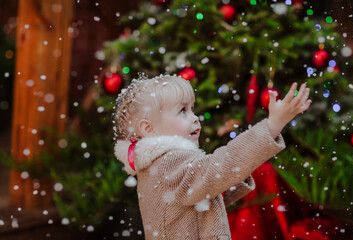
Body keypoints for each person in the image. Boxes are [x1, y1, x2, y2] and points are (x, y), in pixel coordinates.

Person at [114, 75, 311, 239]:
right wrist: (272, 126)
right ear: (149, 129)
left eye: (192, 109)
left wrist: (232, 178)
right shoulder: (169, 163)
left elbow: (198, 202)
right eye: (182, 111)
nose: (194, 117)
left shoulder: (157, 167)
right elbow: (219, 167)